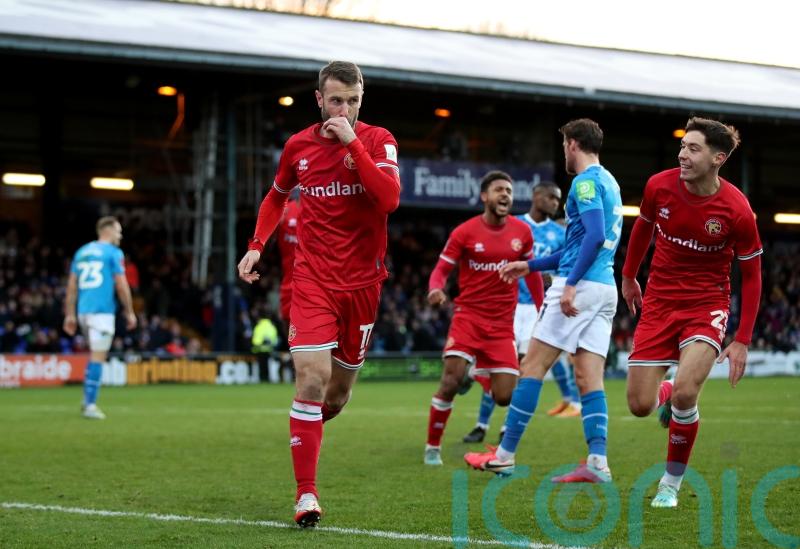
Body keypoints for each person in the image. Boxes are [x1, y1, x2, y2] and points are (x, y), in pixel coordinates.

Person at [236, 61, 401, 527]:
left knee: (337, 396)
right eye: (335, 101)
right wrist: (255, 246)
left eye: (352, 100)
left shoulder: (378, 140)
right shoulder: (298, 146)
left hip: (364, 286)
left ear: (361, 98)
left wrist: (353, 144)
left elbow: (388, 199)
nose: (344, 109)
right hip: (312, 282)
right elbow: (275, 196)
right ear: (318, 100)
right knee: (310, 379)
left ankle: (303, 426)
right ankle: (306, 494)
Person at [465, 118, 622, 483]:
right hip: (604, 290)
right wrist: (530, 265)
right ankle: (597, 462)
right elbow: (577, 245)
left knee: (532, 366)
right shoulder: (609, 181)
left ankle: (504, 455)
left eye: (564, 144)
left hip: (579, 287)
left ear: (572, 144)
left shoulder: (583, 183)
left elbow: (594, 236)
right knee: (588, 377)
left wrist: (570, 284)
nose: (564, 151)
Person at [621, 117, 762, 508]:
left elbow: (752, 275)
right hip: (659, 302)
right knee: (639, 406)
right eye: (683, 147)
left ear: (718, 158)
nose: (682, 154)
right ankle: (665, 392)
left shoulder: (737, 211)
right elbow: (643, 228)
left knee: (687, 394)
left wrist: (742, 339)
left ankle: (670, 484)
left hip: (706, 304)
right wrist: (630, 276)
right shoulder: (658, 186)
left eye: (693, 149)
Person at [424, 170, 543, 466]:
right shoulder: (464, 232)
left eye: (509, 191)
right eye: (499, 190)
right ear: (484, 196)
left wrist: (542, 311)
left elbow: (533, 274)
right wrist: (436, 289)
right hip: (468, 318)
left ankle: (477, 372)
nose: (506, 195)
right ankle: (432, 447)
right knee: (450, 380)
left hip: (502, 325)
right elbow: (441, 269)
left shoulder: (522, 233)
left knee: (504, 397)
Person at [462, 180, 575, 445]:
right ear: (537, 197)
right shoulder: (512, 225)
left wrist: (554, 278)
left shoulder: (558, 233)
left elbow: (567, 264)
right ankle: (481, 423)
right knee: (495, 366)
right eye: (552, 198)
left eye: (558, 200)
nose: (555, 204)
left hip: (537, 308)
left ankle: (504, 427)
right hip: (508, 306)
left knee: (519, 370)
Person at [63, 216, 137, 419]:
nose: (120, 235)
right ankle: (90, 405)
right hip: (102, 313)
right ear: (108, 231)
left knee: (95, 354)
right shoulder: (113, 253)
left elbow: (71, 286)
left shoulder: (82, 252)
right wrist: (129, 311)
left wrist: (69, 315)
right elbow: (121, 285)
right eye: (118, 231)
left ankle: (87, 399)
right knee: (98, 356)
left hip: (83, 312)